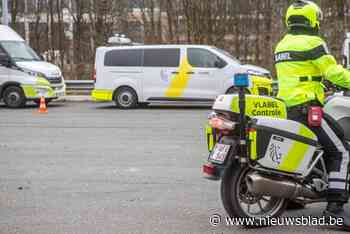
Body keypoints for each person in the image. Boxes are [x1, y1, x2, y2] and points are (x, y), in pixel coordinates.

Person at [274, 0, 350, 228]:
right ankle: (335, 210)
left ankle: (290, 197)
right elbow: (333, 71)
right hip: (307, 108)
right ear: (313, 20)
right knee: (340, 150)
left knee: (309, 149)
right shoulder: (314, 42)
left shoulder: (282, 44)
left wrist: (319, 84)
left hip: (286, 108)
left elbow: (301, 73)